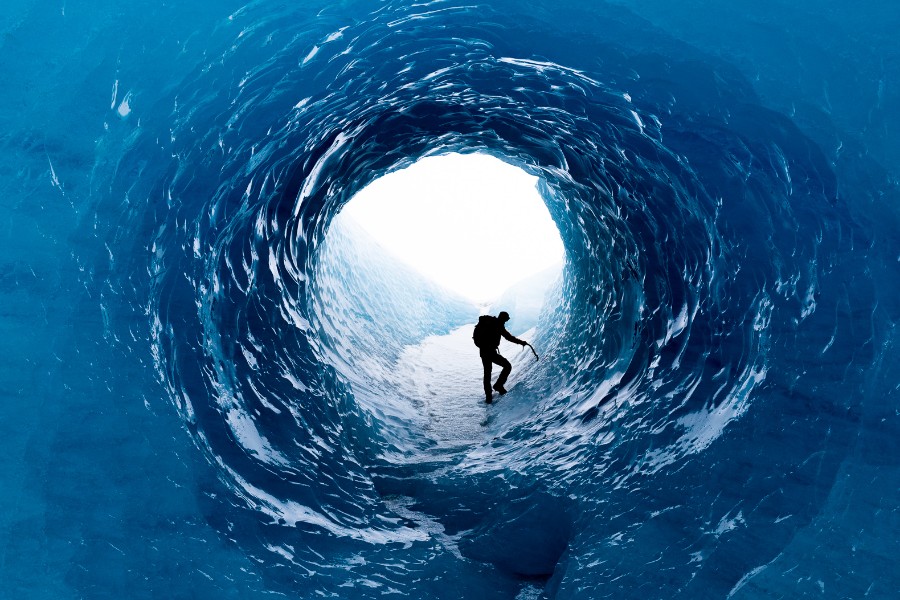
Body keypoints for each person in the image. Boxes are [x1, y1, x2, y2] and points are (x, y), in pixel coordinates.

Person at [473, 311, 528, 404]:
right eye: (506, 319)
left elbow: (508, 337)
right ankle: (498, 386)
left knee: (487, 373)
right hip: (490, 352)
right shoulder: (498, 325)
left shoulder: (493, 323)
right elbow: (509, 337)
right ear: (503, 318)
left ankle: (488, 396)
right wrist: (521, 342)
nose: (506, 321)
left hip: (483, 351)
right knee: (507, 366)